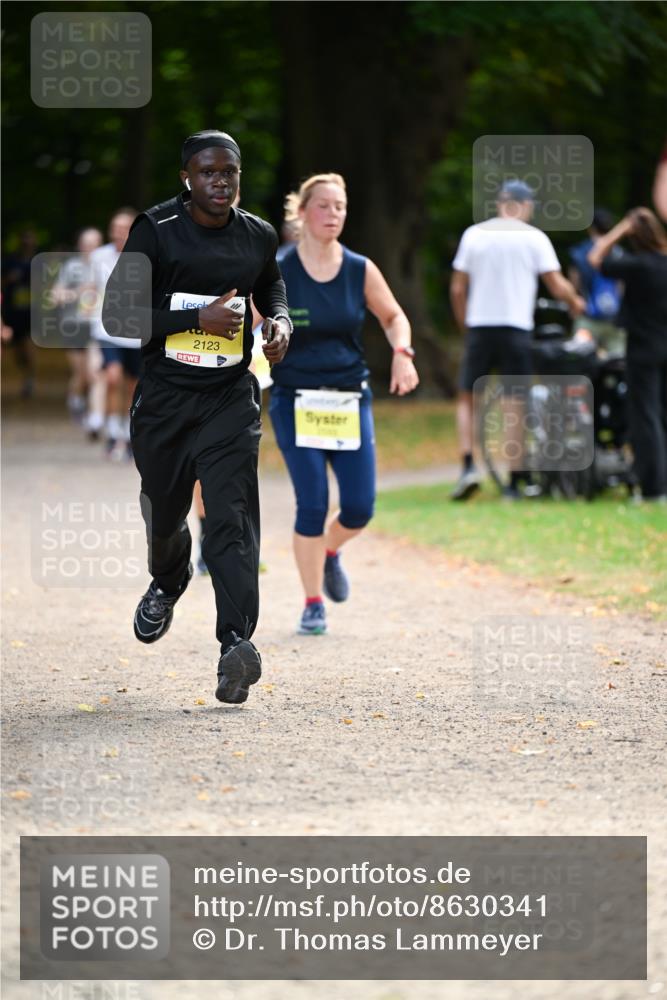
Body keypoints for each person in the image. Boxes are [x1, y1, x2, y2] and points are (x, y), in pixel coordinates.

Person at [102, 129, 291, 704]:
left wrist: (279, 324)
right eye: (208, 172)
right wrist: (193, 322)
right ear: (187, 177)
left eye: (229, 172)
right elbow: (118, 314)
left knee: (231, 518)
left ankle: (235, 643)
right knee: (165, 515)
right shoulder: (155, 231)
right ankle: (168, 578)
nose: (220, 182)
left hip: (230, 398)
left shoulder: (257, 234)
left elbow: (272, 287)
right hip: (164, 400)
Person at [269, 172, 419, 636]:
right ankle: (313, 602)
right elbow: (248, 326)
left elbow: (393, 316)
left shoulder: (359, 268)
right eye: (324, 206)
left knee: (358, 507)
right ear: (302, 212)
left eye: (340, 206)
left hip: (348, 397)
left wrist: (402, 353)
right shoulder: (278, 270)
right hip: (295, 398)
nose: (333, 214)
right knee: (311, 503)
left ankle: (331, 550)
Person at [449, 180, 585, 500]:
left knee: (468, 396)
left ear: (500, 203)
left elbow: (457, 288)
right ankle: (514, 479)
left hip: (479, 326)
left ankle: (468, 465)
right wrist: (576, 303)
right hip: (515, 328)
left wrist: (464, 325)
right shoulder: (533, 238)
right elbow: (555, 283)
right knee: (515, 403)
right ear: (525, 206)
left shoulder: (474, 235)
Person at [588, 207, 667, 501]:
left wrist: (620, 228)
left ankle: (654, 487)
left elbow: (595, 258)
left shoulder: (637, 265)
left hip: (643, 350)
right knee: (662, 415)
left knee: (645, 418)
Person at [90, 209, 140, 458]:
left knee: (134, 387)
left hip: (137, 332)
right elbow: (89, 288)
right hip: (106, 329)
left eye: (125, 228)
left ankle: (129, 436)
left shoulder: (146, 256)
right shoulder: (99, 256)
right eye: (116, 228)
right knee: (112, 377)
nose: (119, 233)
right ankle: (112, 433)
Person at [50, 227, 103, 421]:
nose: (90, 248)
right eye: (86, 244)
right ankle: (75, 400)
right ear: (80, 246)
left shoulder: (106, 265)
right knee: (80, 374)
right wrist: (79, 292)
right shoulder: (71, 267)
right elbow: (56, 296)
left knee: (93, 372)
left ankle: (94, 415)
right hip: (74, 324)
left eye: (94, 244)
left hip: (96, 325)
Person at [568, 208, 625, 356]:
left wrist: (573, 305)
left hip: (586, 315)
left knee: (581, 361)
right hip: (615, 318)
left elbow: (574, 283)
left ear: (590, 227)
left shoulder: (580, 252)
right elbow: (622, 286)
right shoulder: (619, 253)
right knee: (617, 362)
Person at [1, 229, 38, 398]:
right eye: (24, 240)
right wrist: (10, 279)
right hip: (13, 309)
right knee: (17, 348)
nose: (27, 244)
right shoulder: (10, 261)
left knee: (27, 341)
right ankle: (26, 371)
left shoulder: (39, 260)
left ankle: (29, 377)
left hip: (31, 309)